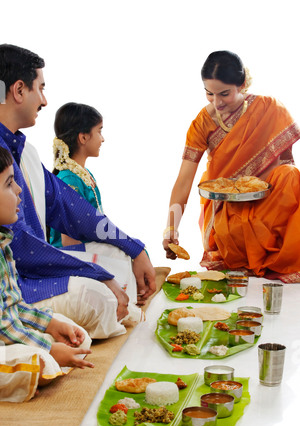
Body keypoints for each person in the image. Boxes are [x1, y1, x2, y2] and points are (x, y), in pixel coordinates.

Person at [0, 43, 156, 340]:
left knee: (118, 257)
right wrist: (97, 274)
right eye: (40, 88)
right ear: (19, 90)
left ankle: (125, 317)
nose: (44, 101)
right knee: (99, 297)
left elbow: (71, 208)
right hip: (18, 283)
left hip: (36, 265)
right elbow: (19, 247)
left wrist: (134, 247)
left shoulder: (23, 149)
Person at [163, 50, 300, 282]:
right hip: (226, 207)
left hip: (266, 201)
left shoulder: (270, 109)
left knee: (291, 175)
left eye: (224, 94)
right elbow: (184, 181)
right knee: (233, 224)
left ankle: (280, 258)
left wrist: (253, 187)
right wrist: (171, 229)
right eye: (209, 94)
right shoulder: (201, 124)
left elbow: (281, 165)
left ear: (242, 85)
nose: (217, 102)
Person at [0, 146, 94, 402]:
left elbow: (13, 308)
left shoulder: (2, 244)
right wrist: (48, 348)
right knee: (41, 361)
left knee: (78, 337)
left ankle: (26, 374)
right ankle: (25, 374)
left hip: (5, 337)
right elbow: (4, 326)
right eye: (9, 184)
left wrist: (51, 324)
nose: (19, 190)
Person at [49, 102, 104, 248]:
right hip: (74, 260)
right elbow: (69, 242)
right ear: (83, 137)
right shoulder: (69, 180)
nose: (102, 139)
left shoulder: (84, 175)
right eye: (99, 131)